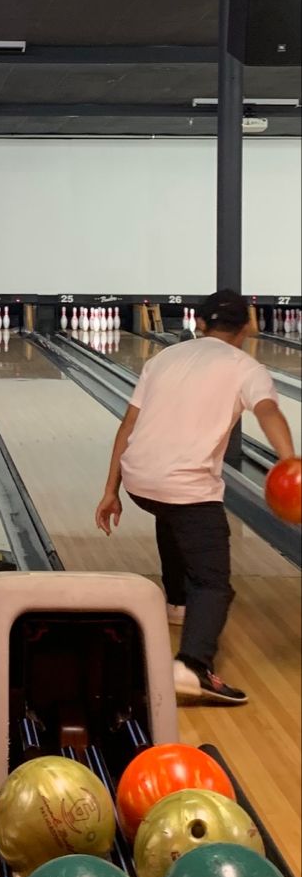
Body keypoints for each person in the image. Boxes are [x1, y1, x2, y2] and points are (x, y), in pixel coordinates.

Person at [95, 289, 295, 704]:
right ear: (246, 328)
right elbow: (269, 412)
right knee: (214, 583)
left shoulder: (162, 358)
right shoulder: (247, 366)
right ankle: (193, 666)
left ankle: (177, 602)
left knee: (171, 514)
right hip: (185, 487)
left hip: (139, 482)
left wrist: (110, 490)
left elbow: (126, 427)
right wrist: (290, 461)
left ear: (199, 323)